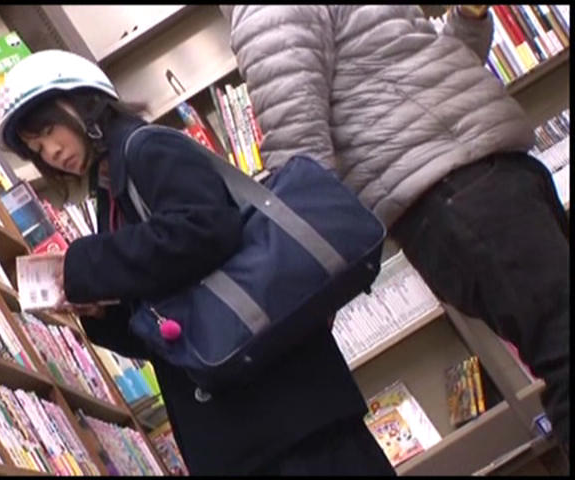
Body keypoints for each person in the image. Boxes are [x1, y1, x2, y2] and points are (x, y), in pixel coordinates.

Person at [0, 49, 396, 475]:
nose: (51, 152)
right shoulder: (111, 193)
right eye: (37, 148)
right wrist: (102, 312)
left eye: (50, 130)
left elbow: (205, 229)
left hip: (287, 414)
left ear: (85, 103)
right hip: (250, 426)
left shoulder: (148, 148)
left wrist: (84, 264)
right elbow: (166, 325)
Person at [221, 4, 570, 458]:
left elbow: (431, 79)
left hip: (481, 175)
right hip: (456, 196)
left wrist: (469, 19)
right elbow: (300, 160)